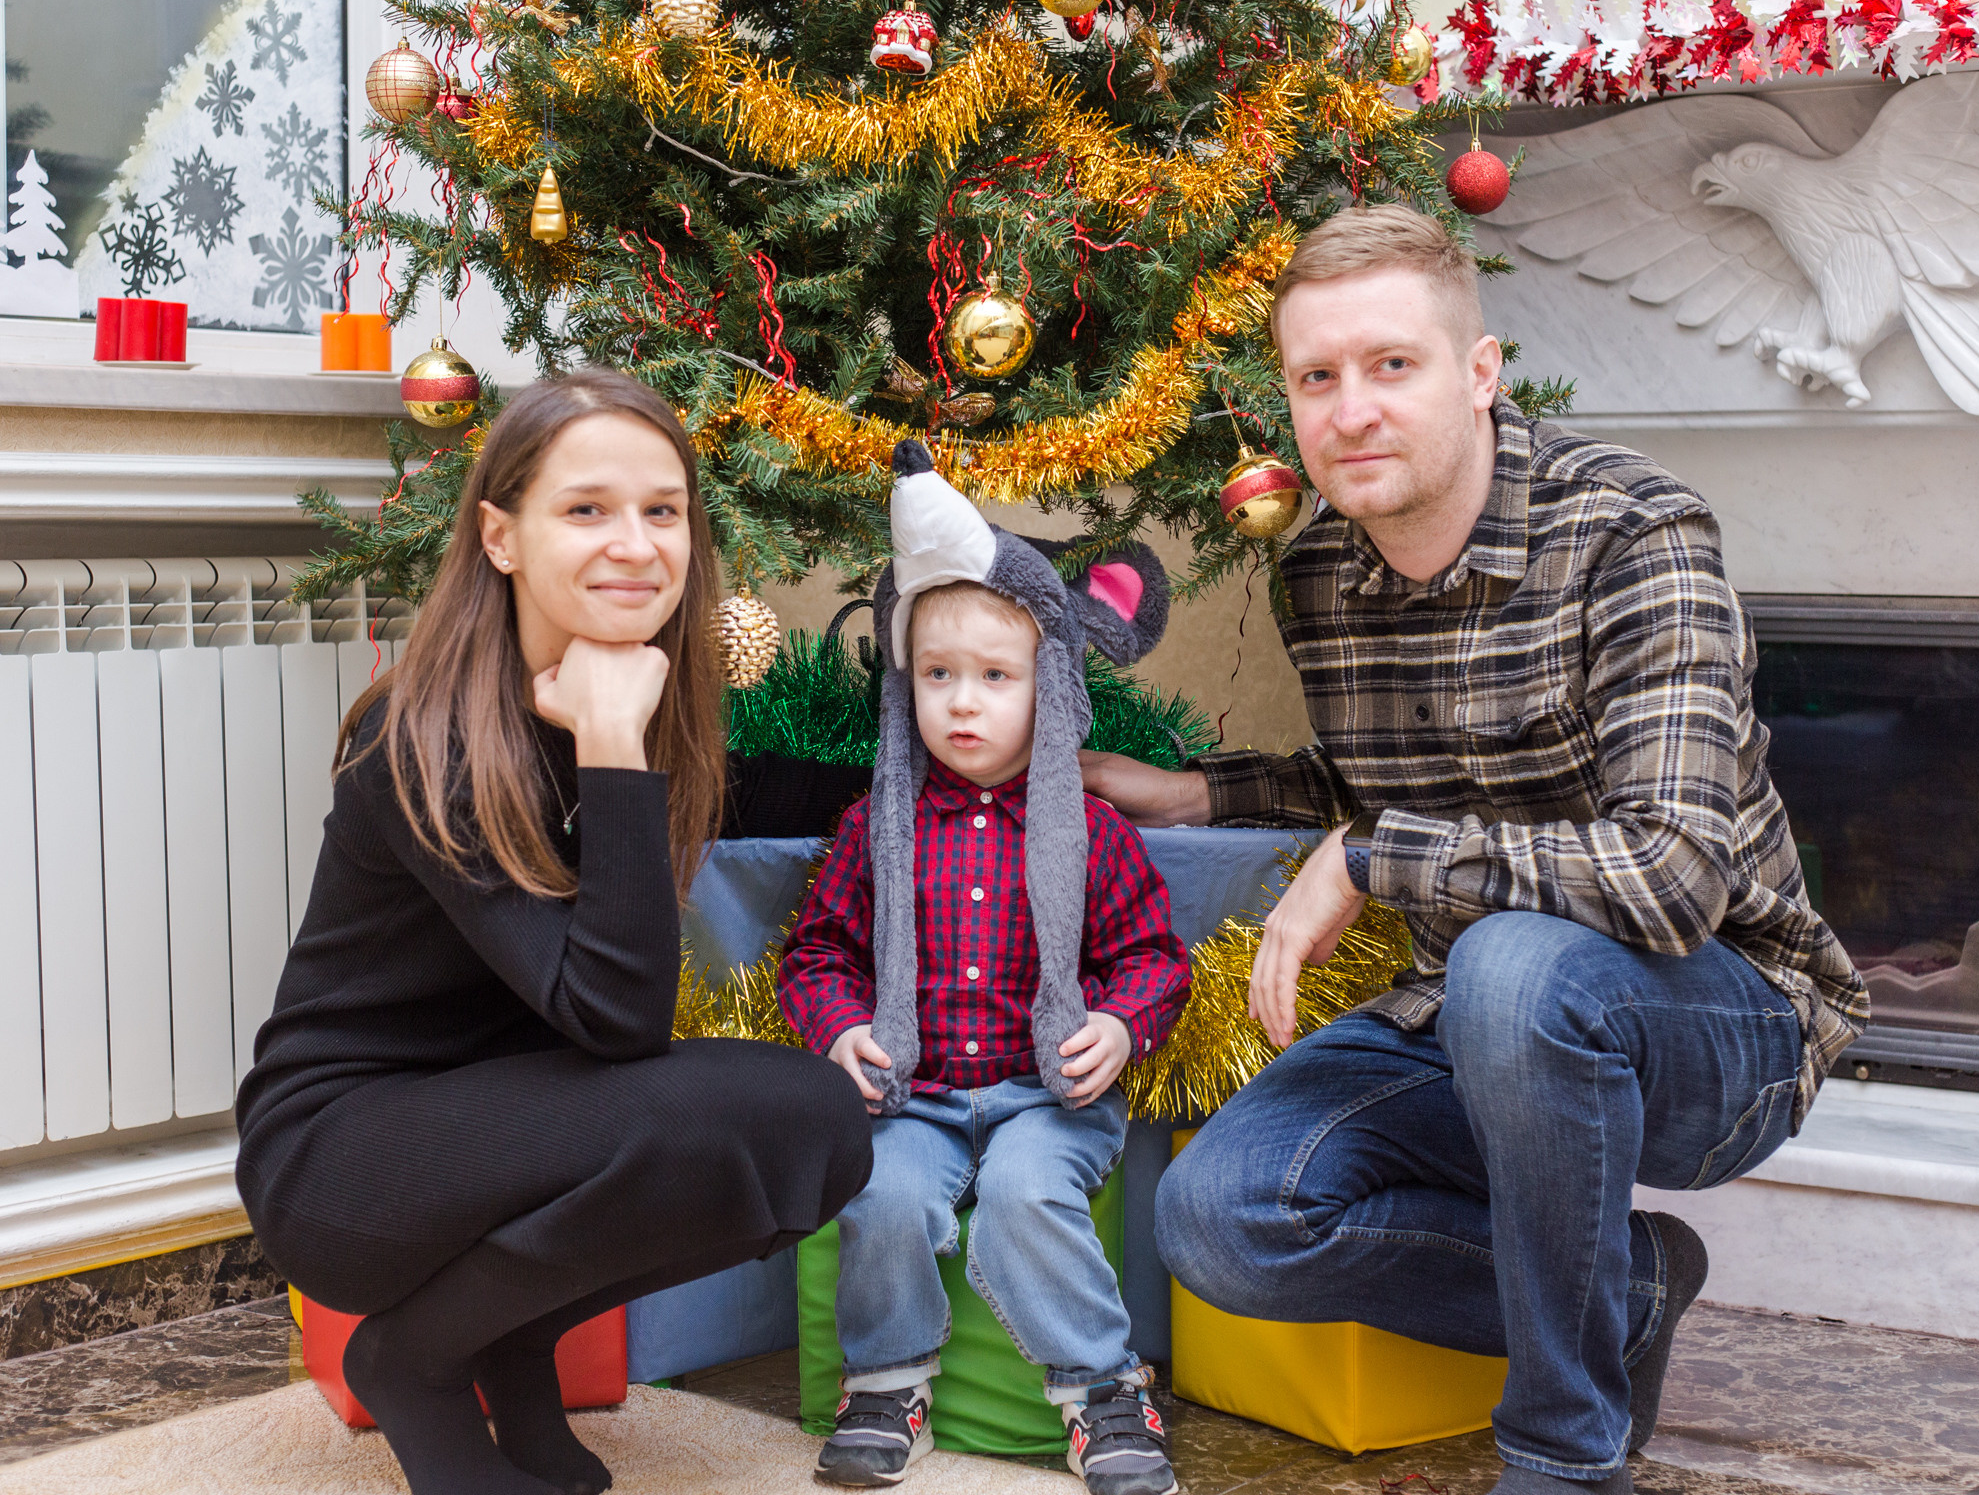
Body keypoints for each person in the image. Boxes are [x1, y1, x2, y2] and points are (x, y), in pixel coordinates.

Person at [1081, 207, 1867, 1495]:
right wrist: (1186, 794)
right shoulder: (1320, 573)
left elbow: (1670, 878)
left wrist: (1377, 856)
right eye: (1315, 378)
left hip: (1726, 1020)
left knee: (1512, 961)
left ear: (1481, 372)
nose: (1350, 411)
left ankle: (1563, 1454)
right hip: (1472, 1018)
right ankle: (1626, 1292)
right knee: (1220, 1217)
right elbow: (1375, 785)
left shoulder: (1634, 536)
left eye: (1392, 365)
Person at [235, 368, 875, 1495]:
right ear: (500, 536)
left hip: (501, 1128)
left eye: (662, 510)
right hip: (342, 1162)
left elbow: (772, 796)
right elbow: (617, 1019)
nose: (635, 544)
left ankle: (508, 1335)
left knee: (816, 1127)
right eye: (586, 509)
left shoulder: (622, 690)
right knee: (736, 1111)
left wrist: (1008, 777)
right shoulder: (423, 735)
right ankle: (413, 1358)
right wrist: (614, 748)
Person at [778, 442, 1192, 1495]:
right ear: (904, 684)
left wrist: (1120, 1026)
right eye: (938, 675)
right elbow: (818, 951)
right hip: (911, 1095)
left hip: (1041, 1096)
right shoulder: (878, 826)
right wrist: (836, 1029)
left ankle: (1102, 1389)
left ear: (1045, 686)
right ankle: (885, 1381)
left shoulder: (1087, 831)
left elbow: (1147, 955)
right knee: (879, 1192)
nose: (963, 702)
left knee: (1020, 1197)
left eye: (995, 677)